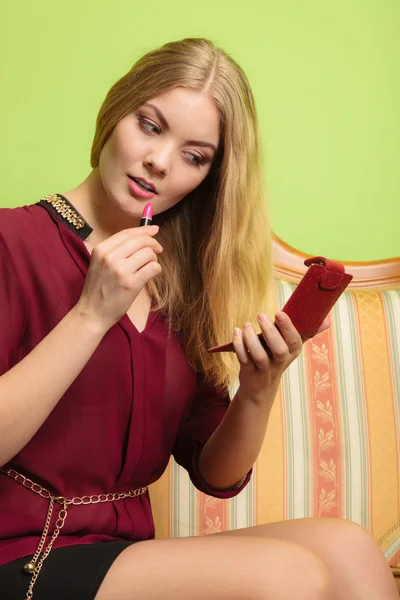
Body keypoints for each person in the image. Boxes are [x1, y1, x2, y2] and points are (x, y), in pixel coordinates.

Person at [0, 37, 397, 600]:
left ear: (210, 176)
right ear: (116, 112)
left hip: (124, 554)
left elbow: (218, 476)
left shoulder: (178, 282)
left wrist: (260, 387)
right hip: (21, 552)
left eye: (195, 156)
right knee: (287, 575)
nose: (159, 162)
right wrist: (92, 314)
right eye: (150, 125)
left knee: (348, 548)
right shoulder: (10, 241)